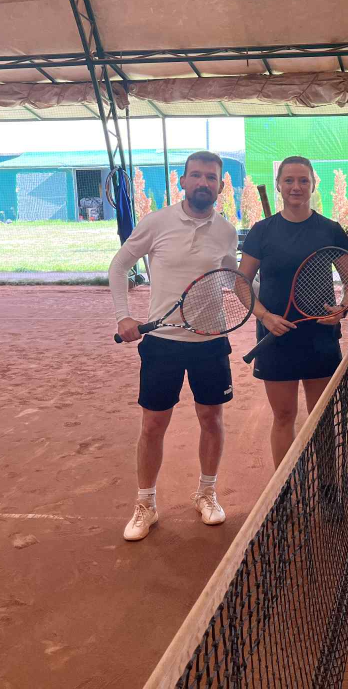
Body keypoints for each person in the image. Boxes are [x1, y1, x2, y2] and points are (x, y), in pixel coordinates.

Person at [110, 151, 239, 541]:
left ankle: (206, 493)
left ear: (220, 185)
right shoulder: (157, 222)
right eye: (196, 176)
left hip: (210, 341)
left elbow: (230, 280)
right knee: (153, 425)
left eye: (211, 177)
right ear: (182, 181)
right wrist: (124, 316)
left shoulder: (227, 231)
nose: (203, 183)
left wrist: (262, 291)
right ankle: (145, 504)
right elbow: (119, 265)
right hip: (162, 344)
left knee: (211, 420)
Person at [238, 156, 348, 468]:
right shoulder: (261, 231)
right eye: (289, 180)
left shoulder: (330, 230)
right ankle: (285, 489)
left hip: (320, 336)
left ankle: (327, 484)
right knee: (284, 416)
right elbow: (241, 284)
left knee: (322, 417)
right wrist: (265, 316)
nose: (296, 186)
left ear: (313, 185)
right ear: (278, 185)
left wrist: (341, 308)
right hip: (275, 338)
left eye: (303, 180)